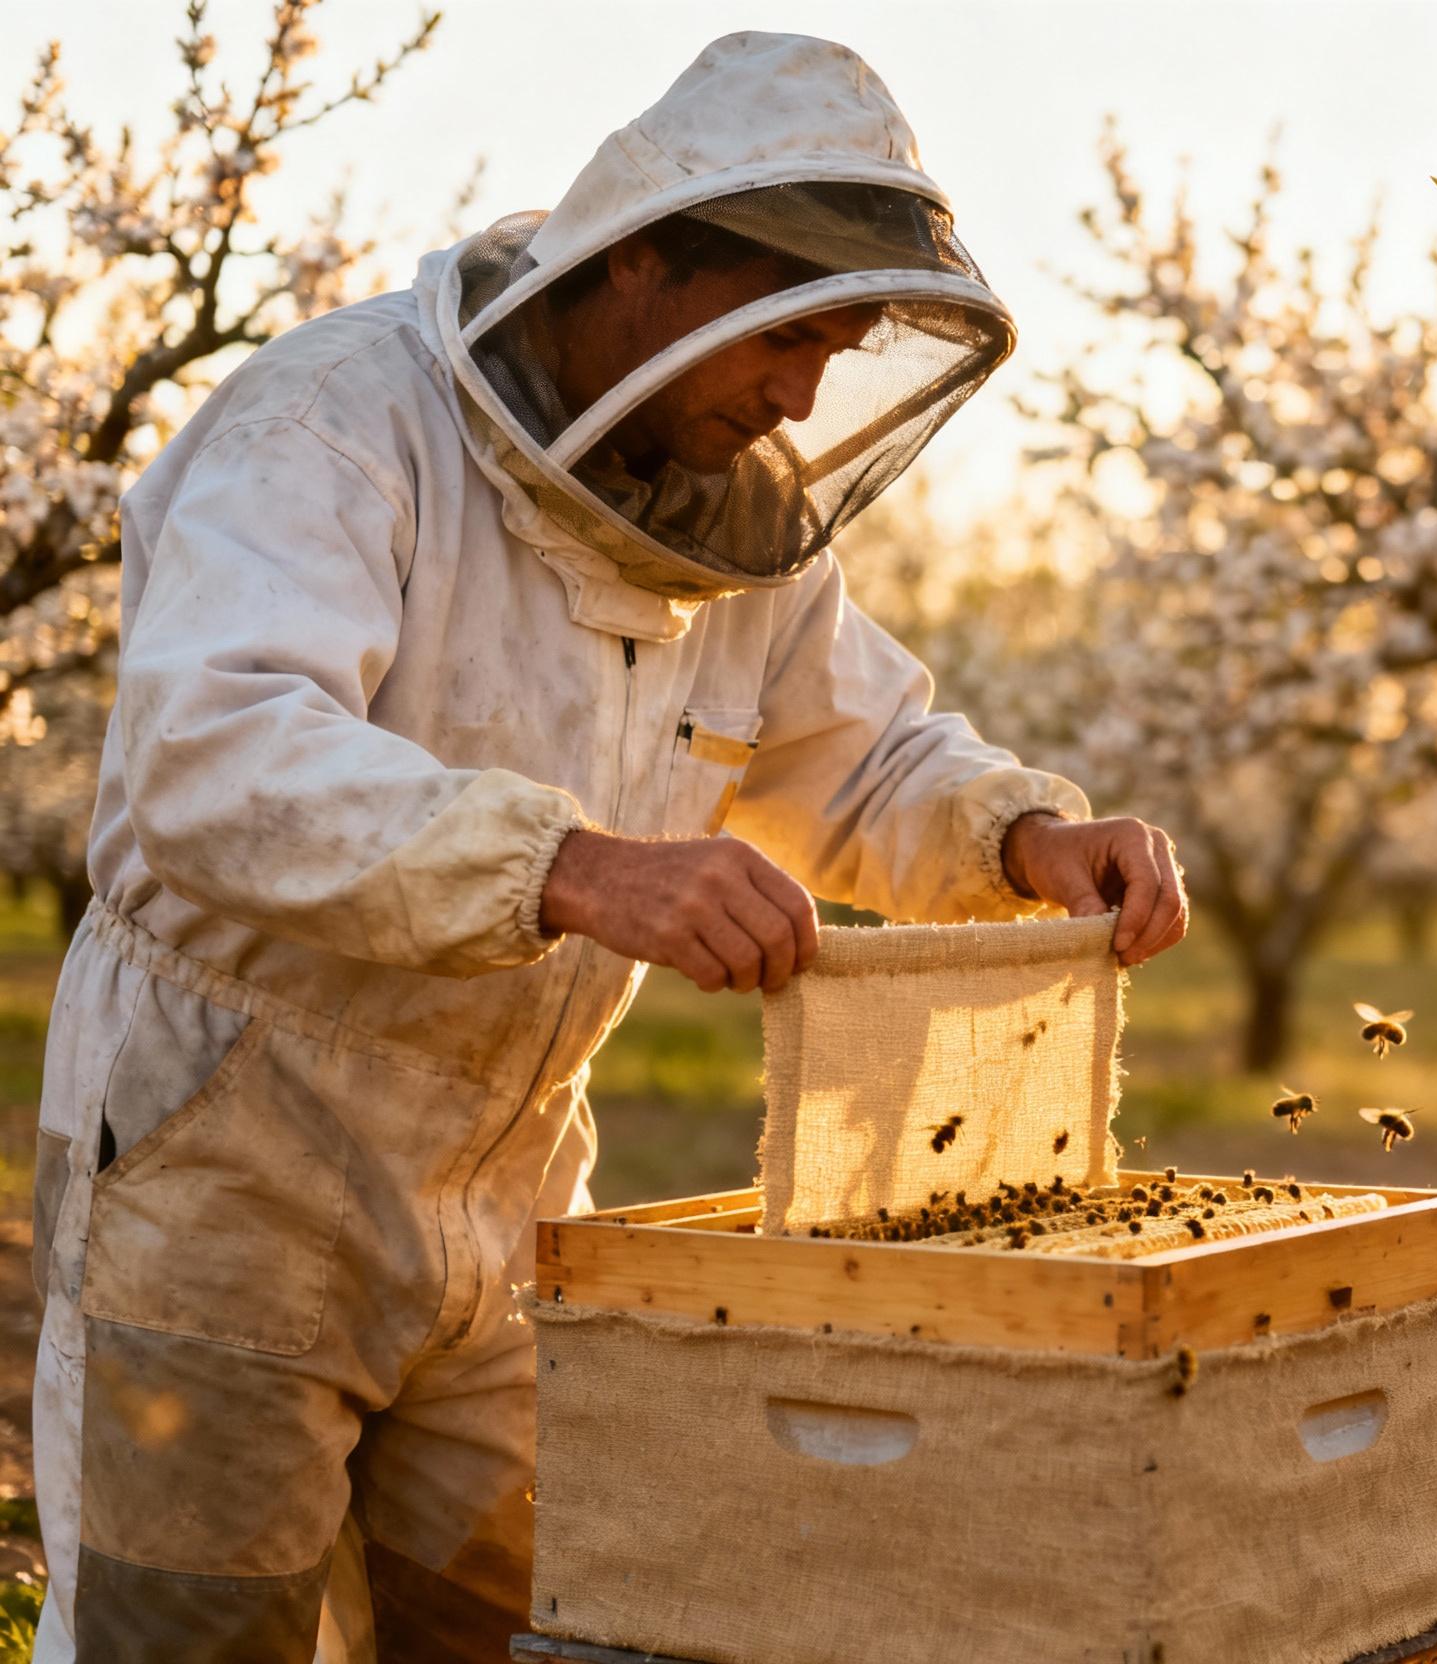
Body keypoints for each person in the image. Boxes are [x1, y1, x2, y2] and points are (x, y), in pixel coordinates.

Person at [28, 33, 1188, 1661]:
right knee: (193, 1639)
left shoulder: (736, 528)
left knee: (541, 1627)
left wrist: (1026, 834)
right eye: (784, 339)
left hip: (512, 1199)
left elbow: (856, 759)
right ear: (641, 264)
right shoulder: (338, 423)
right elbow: (214, 761)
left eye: (834, 354)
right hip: (235, 1163)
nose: (798, 396)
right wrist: (579, 870)